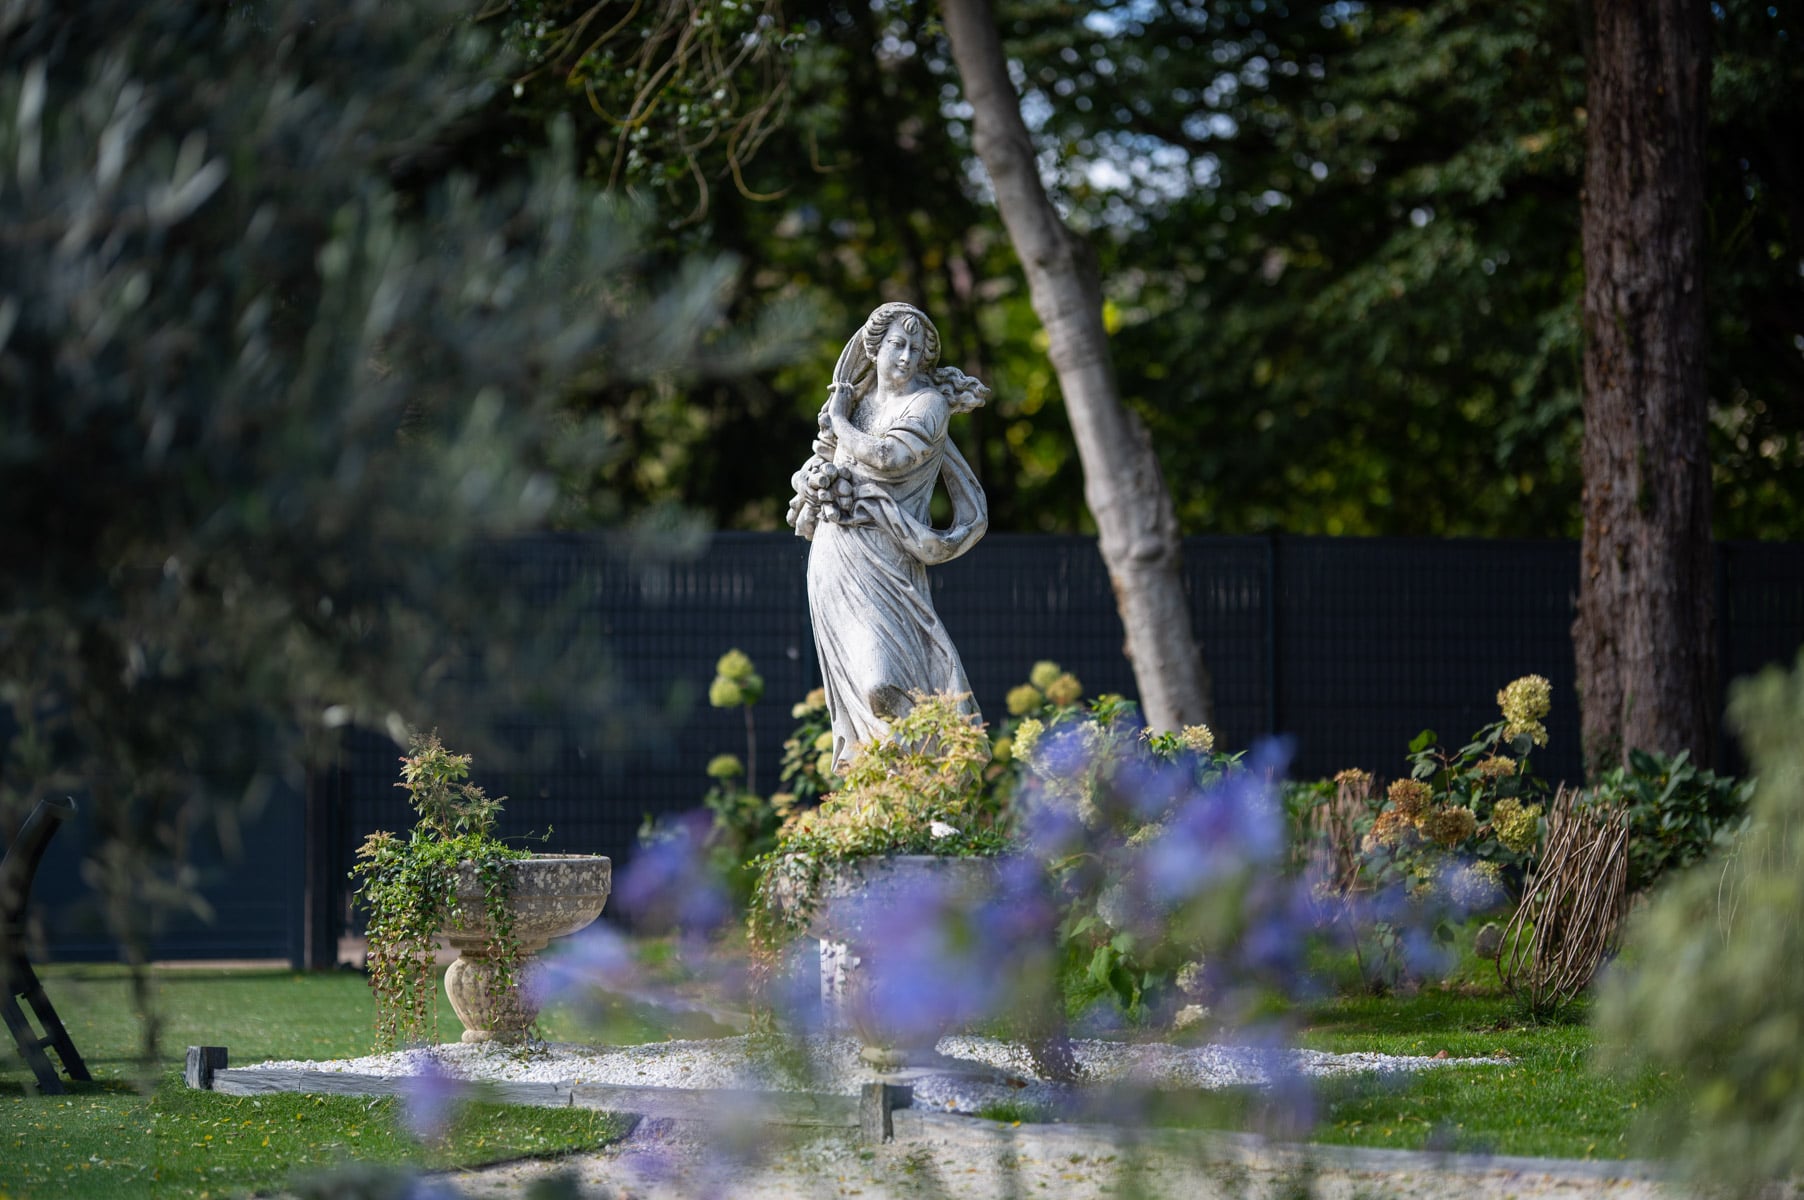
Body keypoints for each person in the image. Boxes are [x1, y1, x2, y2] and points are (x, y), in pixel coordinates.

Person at [786, 303, 990, 769]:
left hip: (888, 558)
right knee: (858, 690)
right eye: (897, 345)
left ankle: (926, 778)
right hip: (835, 555)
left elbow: (889, 457)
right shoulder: (858, 404)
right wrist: (811, 477)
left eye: (915, 350)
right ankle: (881, 792)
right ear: (872, 349)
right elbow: (823, 469)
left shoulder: (928, 405)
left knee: (884, 680)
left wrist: (838, 420)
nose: (905, 357)